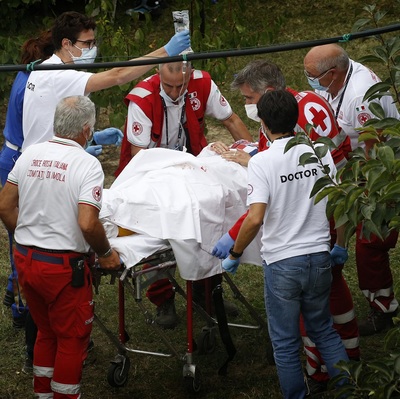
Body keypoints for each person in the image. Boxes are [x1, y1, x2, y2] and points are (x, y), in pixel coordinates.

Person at [211, 59, 359, 393]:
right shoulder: (318, 152)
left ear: (263, 123)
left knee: (285, 343)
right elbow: (341, 203)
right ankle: (349, 390)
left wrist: (234, 251)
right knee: (324, 330)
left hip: (283, 264)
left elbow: (256, 217)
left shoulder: (262, 161)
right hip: (320, 256)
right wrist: (341, 245)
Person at [0, 29, 122, 373]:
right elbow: (86, 223)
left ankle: (37, 359)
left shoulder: (34, 77)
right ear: (62, 46)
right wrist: (104, 253)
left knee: (44, 323)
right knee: (63, 334)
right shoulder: (43, 78)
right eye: (85, 44)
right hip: (60, 261)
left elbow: (6, 206)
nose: (90, 49)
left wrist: (24, 236)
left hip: (30, 241)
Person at [115, 59, 252, 328]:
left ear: (190, 75)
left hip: (192, 165)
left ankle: (208, 292)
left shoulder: (202, 83)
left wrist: (251, 155)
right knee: (158, 230)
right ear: (157, 74)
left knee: (209, 219)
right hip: (150, 171)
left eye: (181, 85)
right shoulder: (142, 99)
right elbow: (139, 157)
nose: (176, 92)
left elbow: (231, 119)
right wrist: (177, 167)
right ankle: (162, 298)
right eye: (169, 86)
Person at [304, 44, 400, 336]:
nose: (309, 80)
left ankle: (384, 309)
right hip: (356, 166)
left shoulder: (358, 93)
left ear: (332, 73)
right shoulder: (336, 80)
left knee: (371, 242)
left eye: (311, 76)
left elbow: (373, 143)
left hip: (380, 172)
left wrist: (367, 189)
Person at [22, 11, 191, 151]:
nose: (92, 49)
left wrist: (92, 139)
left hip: (39, 156)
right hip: (46, 162)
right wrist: (166, 51)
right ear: (66, 44)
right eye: (87, 43)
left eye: (93, 42)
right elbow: (118, 75)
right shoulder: (58, 75)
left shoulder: (45, 68)